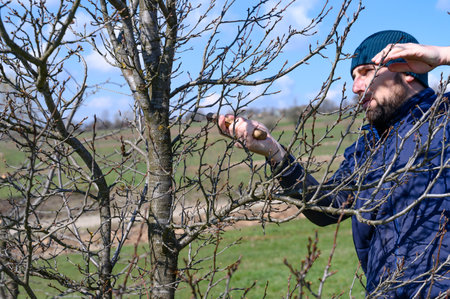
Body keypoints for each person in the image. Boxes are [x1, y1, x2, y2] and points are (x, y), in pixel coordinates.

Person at [217, 30, 450, 298]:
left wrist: (442, 55)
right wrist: (275, 152)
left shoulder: (443, 119)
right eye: (353, 77)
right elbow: (326, 208)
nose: (355, 87)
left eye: (365, 72)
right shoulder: (368, 149)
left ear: (408, 69)